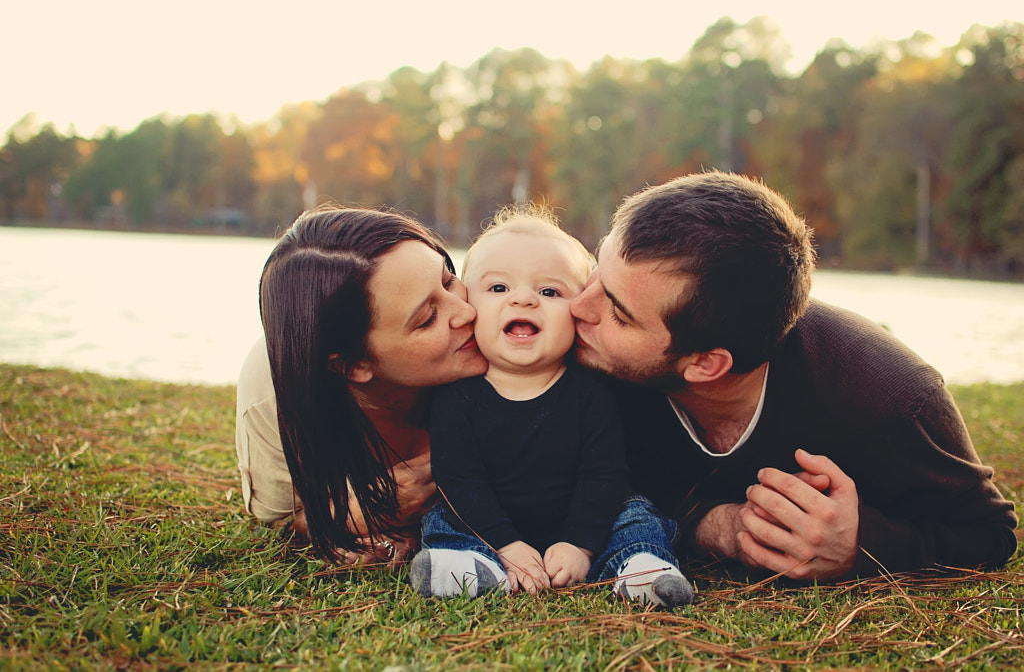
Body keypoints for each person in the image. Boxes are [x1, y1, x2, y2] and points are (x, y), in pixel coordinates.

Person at [570, 170, 1019, 582]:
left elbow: (990, 535)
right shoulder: (574, 353)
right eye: (597, 268)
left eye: (617, 312)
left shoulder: (893, 399)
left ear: (706, 364)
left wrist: (862, 546)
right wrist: (711, 525)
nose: (577, 306)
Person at [409, 205, 694, 608]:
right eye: (498, 289)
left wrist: (580, 544)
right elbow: (460, 480)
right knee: (442, 518)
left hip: (581, 517)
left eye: (549, 292)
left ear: (579, 311)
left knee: (636, 514)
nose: (523, 300)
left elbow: (603, 474)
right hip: (489, 520)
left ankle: (640, 570)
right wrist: (507, 545)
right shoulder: (457, 395)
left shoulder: (592, 393)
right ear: (468, 305)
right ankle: (474, 568)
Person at [234, 206, 488, 565]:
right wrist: (351, 517)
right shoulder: (272, 394)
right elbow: (281, 512)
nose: (466, 312)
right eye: (427, 319)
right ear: (354, 365)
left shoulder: (503, 316)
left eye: (448, 280)